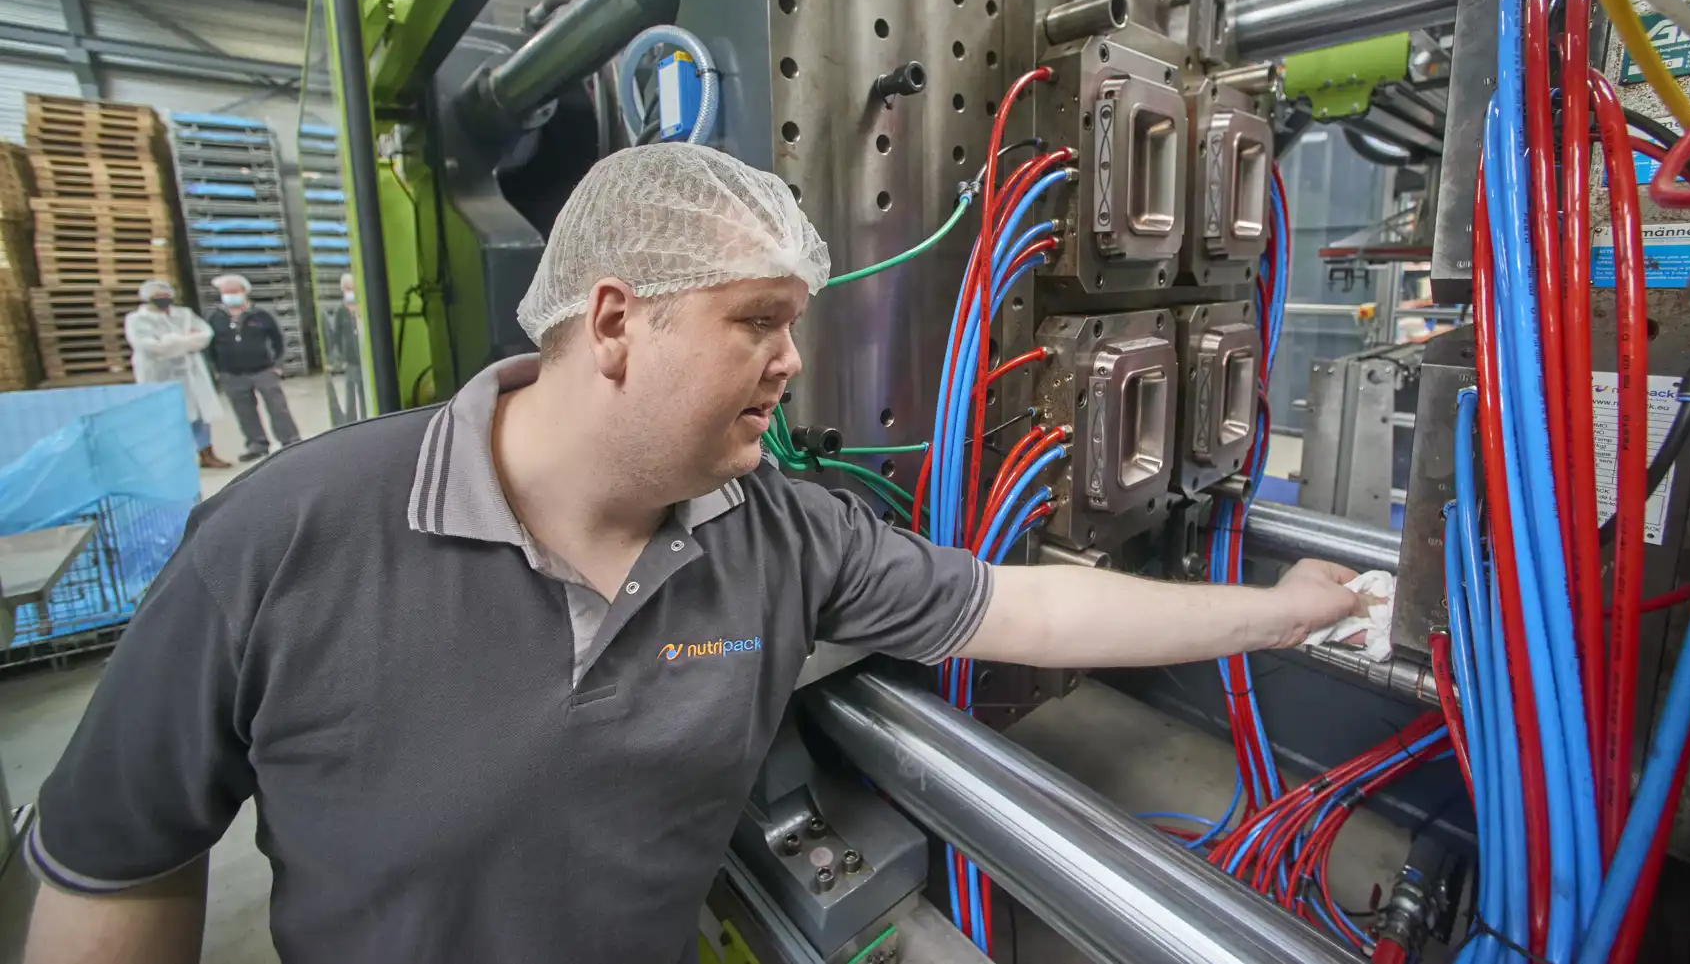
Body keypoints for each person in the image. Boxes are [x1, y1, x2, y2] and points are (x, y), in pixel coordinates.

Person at [24, 145, 1368, 964]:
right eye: (758, 320)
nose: (792, 360)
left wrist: (1272, 613)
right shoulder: (285, 537)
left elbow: (1025, 609)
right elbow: (121, 863)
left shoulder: (781, 535)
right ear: (616, 320)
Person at [123, 279, 229, 470]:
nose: (163, 300)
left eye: (166, 296)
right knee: (167, 419)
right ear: (148, 298)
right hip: (160, 375)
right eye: (158, 297)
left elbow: (205, 335)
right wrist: (185, 341)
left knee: (200, 416)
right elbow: (149, 347)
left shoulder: (185, 315)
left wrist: (170, 342)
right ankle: (174, 460)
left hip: (191, 374)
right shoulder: (137, 320)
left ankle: (206, 454)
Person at [205, 273, 300, 461]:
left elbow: (278, 339)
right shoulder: (215, 318)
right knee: (244, 411)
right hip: (231, 374)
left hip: (263, 370)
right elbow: (209, 347)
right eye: (226, 292)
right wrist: (216, 370)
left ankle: (290, 440)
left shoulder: (261, 315)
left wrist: (277, 365)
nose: (230, 296)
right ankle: (257, 444)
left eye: (234, 291)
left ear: (244, 291)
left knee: (278, 407)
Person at [323, 272, 366, 426]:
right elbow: (336, 336)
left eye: (351, 288)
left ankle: (367, 418)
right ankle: (351, 422)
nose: (349, 292)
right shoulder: (341, 311)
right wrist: (338, 358)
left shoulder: (362, 307)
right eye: (346, 289)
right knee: (350, 394)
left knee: (364, 392)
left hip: (364, 359)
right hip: (350, 360)